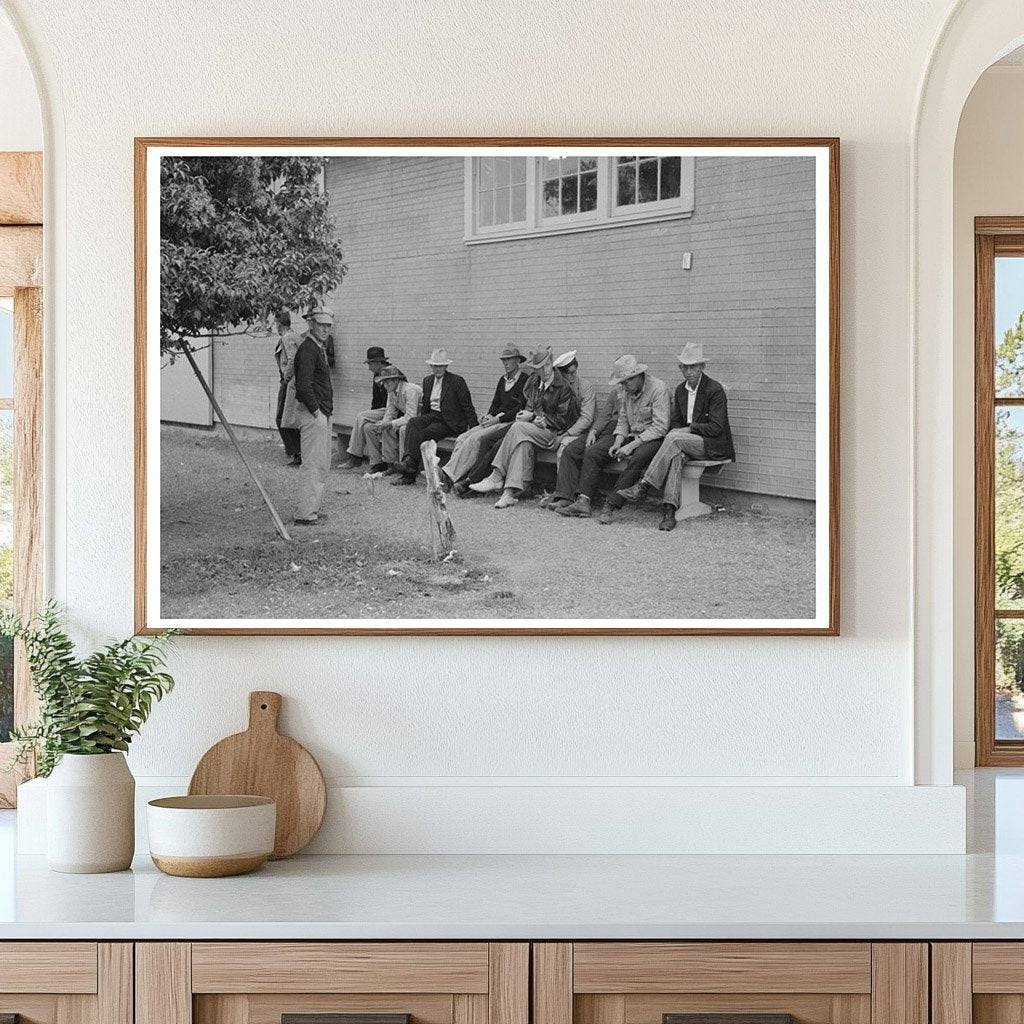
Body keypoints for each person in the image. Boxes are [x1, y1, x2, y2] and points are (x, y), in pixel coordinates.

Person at [614, 342, 735, 531]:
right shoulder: (680, 390)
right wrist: (680, 430)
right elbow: (677, 423)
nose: (689, 371)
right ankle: (669, 511)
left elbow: (717, 428)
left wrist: (688, 430)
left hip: (712, 444)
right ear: (680, 368)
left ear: (702, 367)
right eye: (684, 366)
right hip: (683, 444)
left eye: (693, 366)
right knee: (676, 454)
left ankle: (644, 484)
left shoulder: (714, 389)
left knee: (673, 438)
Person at [557, 354, 670, 524]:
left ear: (638, 376)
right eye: (622, 382)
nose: (623, 386)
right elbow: (623, 419)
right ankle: (583, 501)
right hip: (631, 435)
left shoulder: (658, 389)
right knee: (594, 451)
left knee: (637, 458)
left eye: (626, 382)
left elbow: (660, 427)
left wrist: (631, 446)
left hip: (652, 438)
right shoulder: (626, 390)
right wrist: (618, 442)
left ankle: (611, 504)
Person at [470, 348, 580, 509]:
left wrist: (536, 418)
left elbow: (562, 421)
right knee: (521, 444)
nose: (545, 370)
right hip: (533, 430)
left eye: (547, 365)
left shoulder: (562, 387)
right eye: (540, 368)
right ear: (535, 369)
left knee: (517, 427)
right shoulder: (534, 382)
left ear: (552, 364)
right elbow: (530, 406)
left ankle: (497, 475)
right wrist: (528, 414)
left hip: (554, 433)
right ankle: (508, 493)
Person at [442, 344, 528, 493]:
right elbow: (496, 403)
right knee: (462, 438)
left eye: (509, 360)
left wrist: (497, 420)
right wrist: (488, 415)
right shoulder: (503, 380)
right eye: (504, 360)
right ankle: (452, 476)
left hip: (507, 421)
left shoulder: (525, 380)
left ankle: (451, 476)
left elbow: (519, 409)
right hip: (495, 419)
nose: (506, 364)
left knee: (476, 439)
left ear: (517, 361)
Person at [392, 348, 478, 485]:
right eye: (435, 366)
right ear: (431, 366)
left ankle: (409, 474)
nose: (438, 369)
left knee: (422, 433)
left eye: (441, 366)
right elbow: (426, 406)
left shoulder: (457, 381)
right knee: (413, 423)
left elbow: (467, 406)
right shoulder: (427, 381)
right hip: (433, 416)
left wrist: (475, 429)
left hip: (450, 421)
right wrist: (423, 421)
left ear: (446, 366)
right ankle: (409, 462)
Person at [543, 387, 621, 511]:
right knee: (571, 449)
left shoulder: (635, 395)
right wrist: (594, 431)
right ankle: (565, 496)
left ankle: (584, 501)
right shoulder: (615, 392)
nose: (623, 384)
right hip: (606, 428)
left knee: (592, 451)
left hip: (620, 432)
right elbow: (605, 415)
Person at [292, 308, 336, 525]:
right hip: (314, 413)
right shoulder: (308, 349)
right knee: (312, 464)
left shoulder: (318, 348)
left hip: (322, 413)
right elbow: (303, 386)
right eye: (321, 325)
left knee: (321, 464)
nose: (325, 329)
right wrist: (317, 412)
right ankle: (305, 514)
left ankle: (312, 509)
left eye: (328, 326)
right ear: (311, 324)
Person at [362, 365, 423, 473]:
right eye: (383, 382)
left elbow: (411, 416)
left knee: (403, 429)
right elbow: (390, 411)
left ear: (396, 380)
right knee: (373, 427)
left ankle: (405, 465)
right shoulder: (391, 391)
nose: (384, 385)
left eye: (387, 382)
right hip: (409, 419)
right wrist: (383, 424)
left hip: (421, 420)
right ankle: (389, 463)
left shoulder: (410, 390)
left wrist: (390, 423)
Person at [340, 346, 392, 470]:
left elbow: (393, 403)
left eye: (370, 364)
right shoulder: (377, 375)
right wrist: (372, 417)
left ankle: (355, 456)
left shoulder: (391, 373)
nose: (369, 367)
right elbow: (375, 402)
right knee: (367, 426)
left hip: (393, 412)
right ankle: (377, 462)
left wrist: (382, 419)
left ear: (379, 362)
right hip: (382, 412)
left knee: (361, 416)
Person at [552, 349, 596, 460]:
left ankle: (562, 478)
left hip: (582, 432)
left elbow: (586, 419)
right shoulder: (556, 387)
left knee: (564, 449)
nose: (572, 376)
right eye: (568, 373)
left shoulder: (585, 387)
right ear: (560, 373)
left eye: (574, 372)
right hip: (561, 430)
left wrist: (565, 434)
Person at [273, 310, 303, 465]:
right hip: (293, 381)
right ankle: (296, 451)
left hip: (290, 382)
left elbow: (292, 359)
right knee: (288, 417)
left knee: (282, 417)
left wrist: (286, 377)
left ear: (279, 324)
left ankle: (296, 452)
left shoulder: (287, 337)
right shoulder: (294, 335)